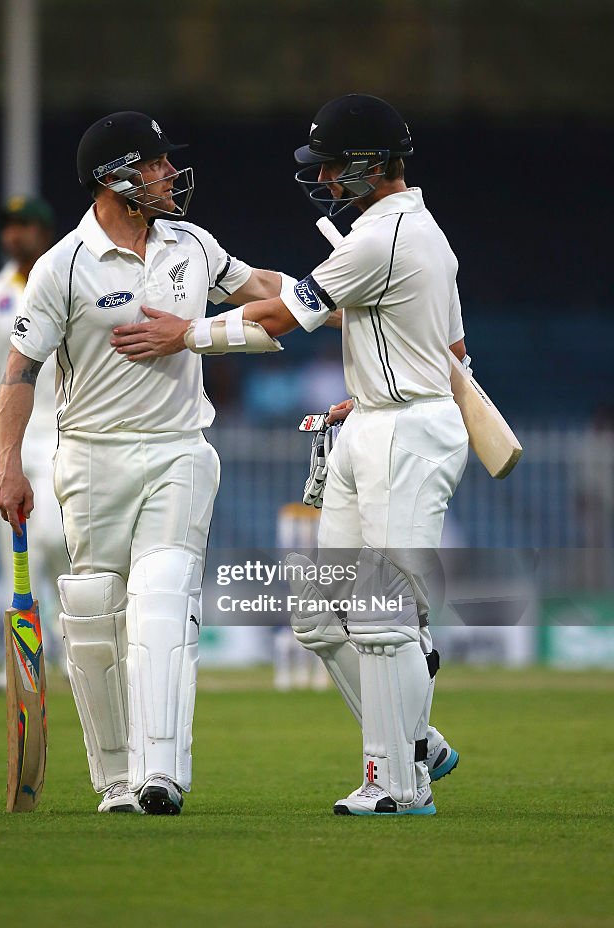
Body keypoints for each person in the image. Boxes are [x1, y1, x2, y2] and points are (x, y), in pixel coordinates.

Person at [0, 111, 296, 816]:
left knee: (162, 595)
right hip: (91, 458)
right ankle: (118, 782)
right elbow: (19, 371)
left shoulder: (192, 243)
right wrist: (9, 463)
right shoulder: (62, 266)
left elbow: (258, 289)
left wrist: (335, 297)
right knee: (95, 612)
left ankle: (163, 773)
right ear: (115, 179)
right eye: (154, 164)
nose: (167, 175)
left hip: (179, 449)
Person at [181, 94, 469, 816]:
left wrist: (187, 335)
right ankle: (418, 739)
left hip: (408, 431)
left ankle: (399, 783)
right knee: (318, 616)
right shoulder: (408, 235)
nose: (326, 179)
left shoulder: (387, 238)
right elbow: (450, 348)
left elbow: (284, 316)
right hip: (375, 419)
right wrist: (371, 390)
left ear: (373, 165)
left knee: (381, 612)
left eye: (336, 166)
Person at [0, 196, 69, 691]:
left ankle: (71, 652)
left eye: (24, 225)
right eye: (8, 226)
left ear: (43, 232)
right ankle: (21, 665)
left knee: (57, 540)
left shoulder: (64, 279)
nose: (14, 234)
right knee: (13, 555)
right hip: (5, 437)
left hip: (58, 426)